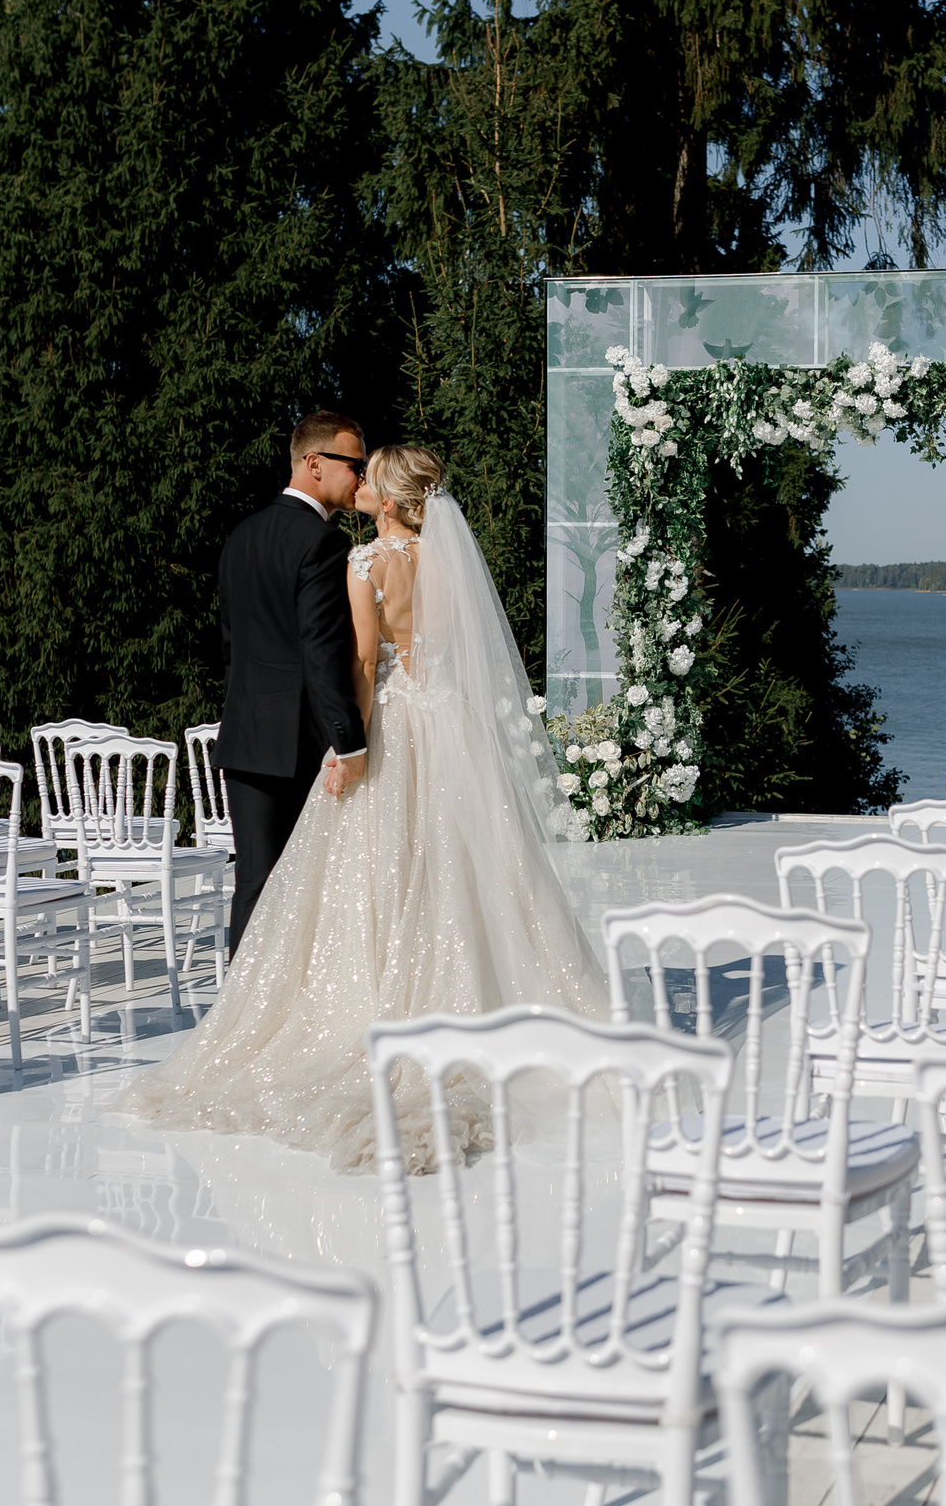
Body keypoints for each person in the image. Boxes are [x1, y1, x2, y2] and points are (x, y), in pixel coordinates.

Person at [128, 445, 607, 1172]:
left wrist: (346, 748)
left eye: (371, 477)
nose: (361, 485)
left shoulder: (363, 564)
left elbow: (357, 665)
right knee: (467, 865)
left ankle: (374, 997)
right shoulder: (448, 562)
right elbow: (455, 651)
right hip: (450, 726)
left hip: (393, 726)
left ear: (387, 499)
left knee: (380, 868)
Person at [213, 410, 371, 953]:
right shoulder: (322, 543)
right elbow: (321, 653)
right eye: (355, 463)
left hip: (244, 738)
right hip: (298, 747)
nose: (361, 477)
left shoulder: (241, 535)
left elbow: (234, 650)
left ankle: (239, 1018)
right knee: (307, 891)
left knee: (254, 885)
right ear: (314, 463)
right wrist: (350, 742)